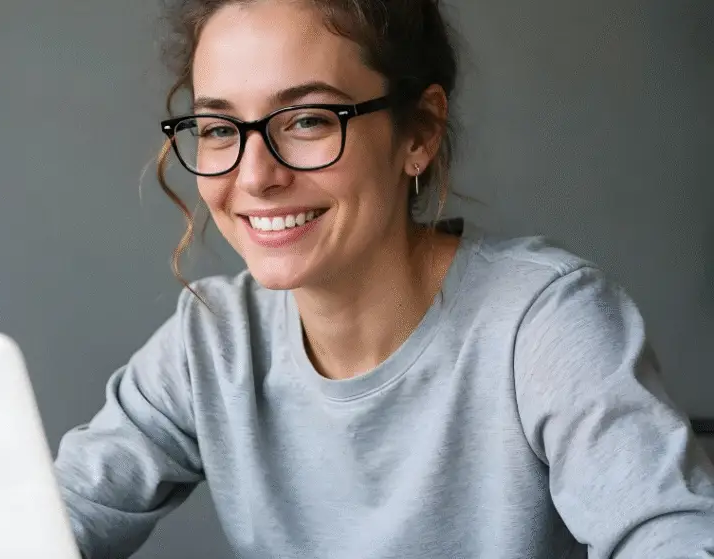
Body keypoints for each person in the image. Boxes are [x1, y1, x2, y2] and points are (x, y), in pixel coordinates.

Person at [53, 1, 714, 557]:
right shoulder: (213, 341)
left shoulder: (542, 322)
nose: (254, 177)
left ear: (419, 132)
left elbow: (672, 533)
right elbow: (48, 521)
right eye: (221, 128)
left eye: (308, 118)